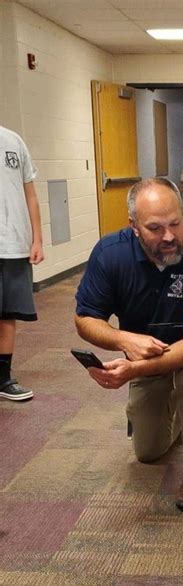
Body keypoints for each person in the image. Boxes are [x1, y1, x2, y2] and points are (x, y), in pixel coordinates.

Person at [75, 177, 183, 511]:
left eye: (176, 224)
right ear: (133, 226)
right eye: (155, 228)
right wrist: (123, 339)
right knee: (148, 452)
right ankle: (176, 412)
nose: (169, 236)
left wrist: (134, 370)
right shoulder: (110, 254)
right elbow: (85, 318)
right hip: (146, 350)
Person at [0, 126, 44, 401]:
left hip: (14, 246)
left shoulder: (14, 140)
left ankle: (3, 378)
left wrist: (37, 238)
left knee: (8, 314)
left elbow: (31, 194)